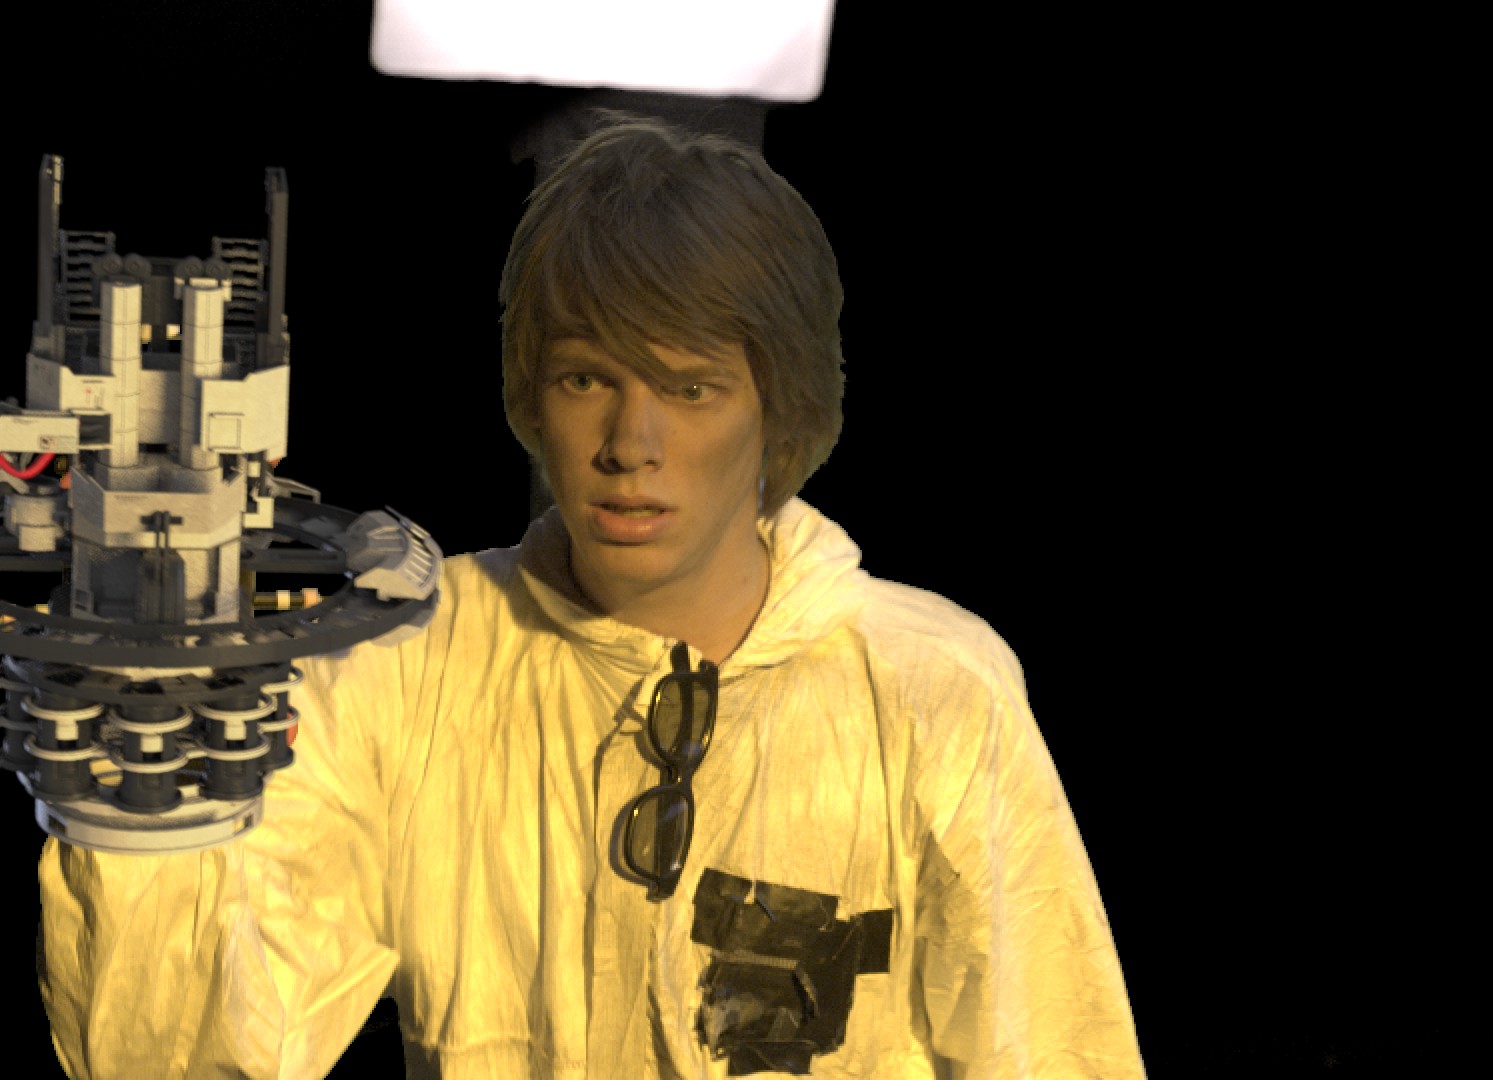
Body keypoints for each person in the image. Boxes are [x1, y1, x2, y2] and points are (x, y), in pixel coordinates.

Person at [38, 119, 1145, 1078]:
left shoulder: (929, 690)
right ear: (533, 392)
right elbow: (186, 1051)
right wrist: (135, 781)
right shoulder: (407, 671)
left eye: (691, 388)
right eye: (586, 379)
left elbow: (1054, 1052)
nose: (630, 444)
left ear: (780, 410)